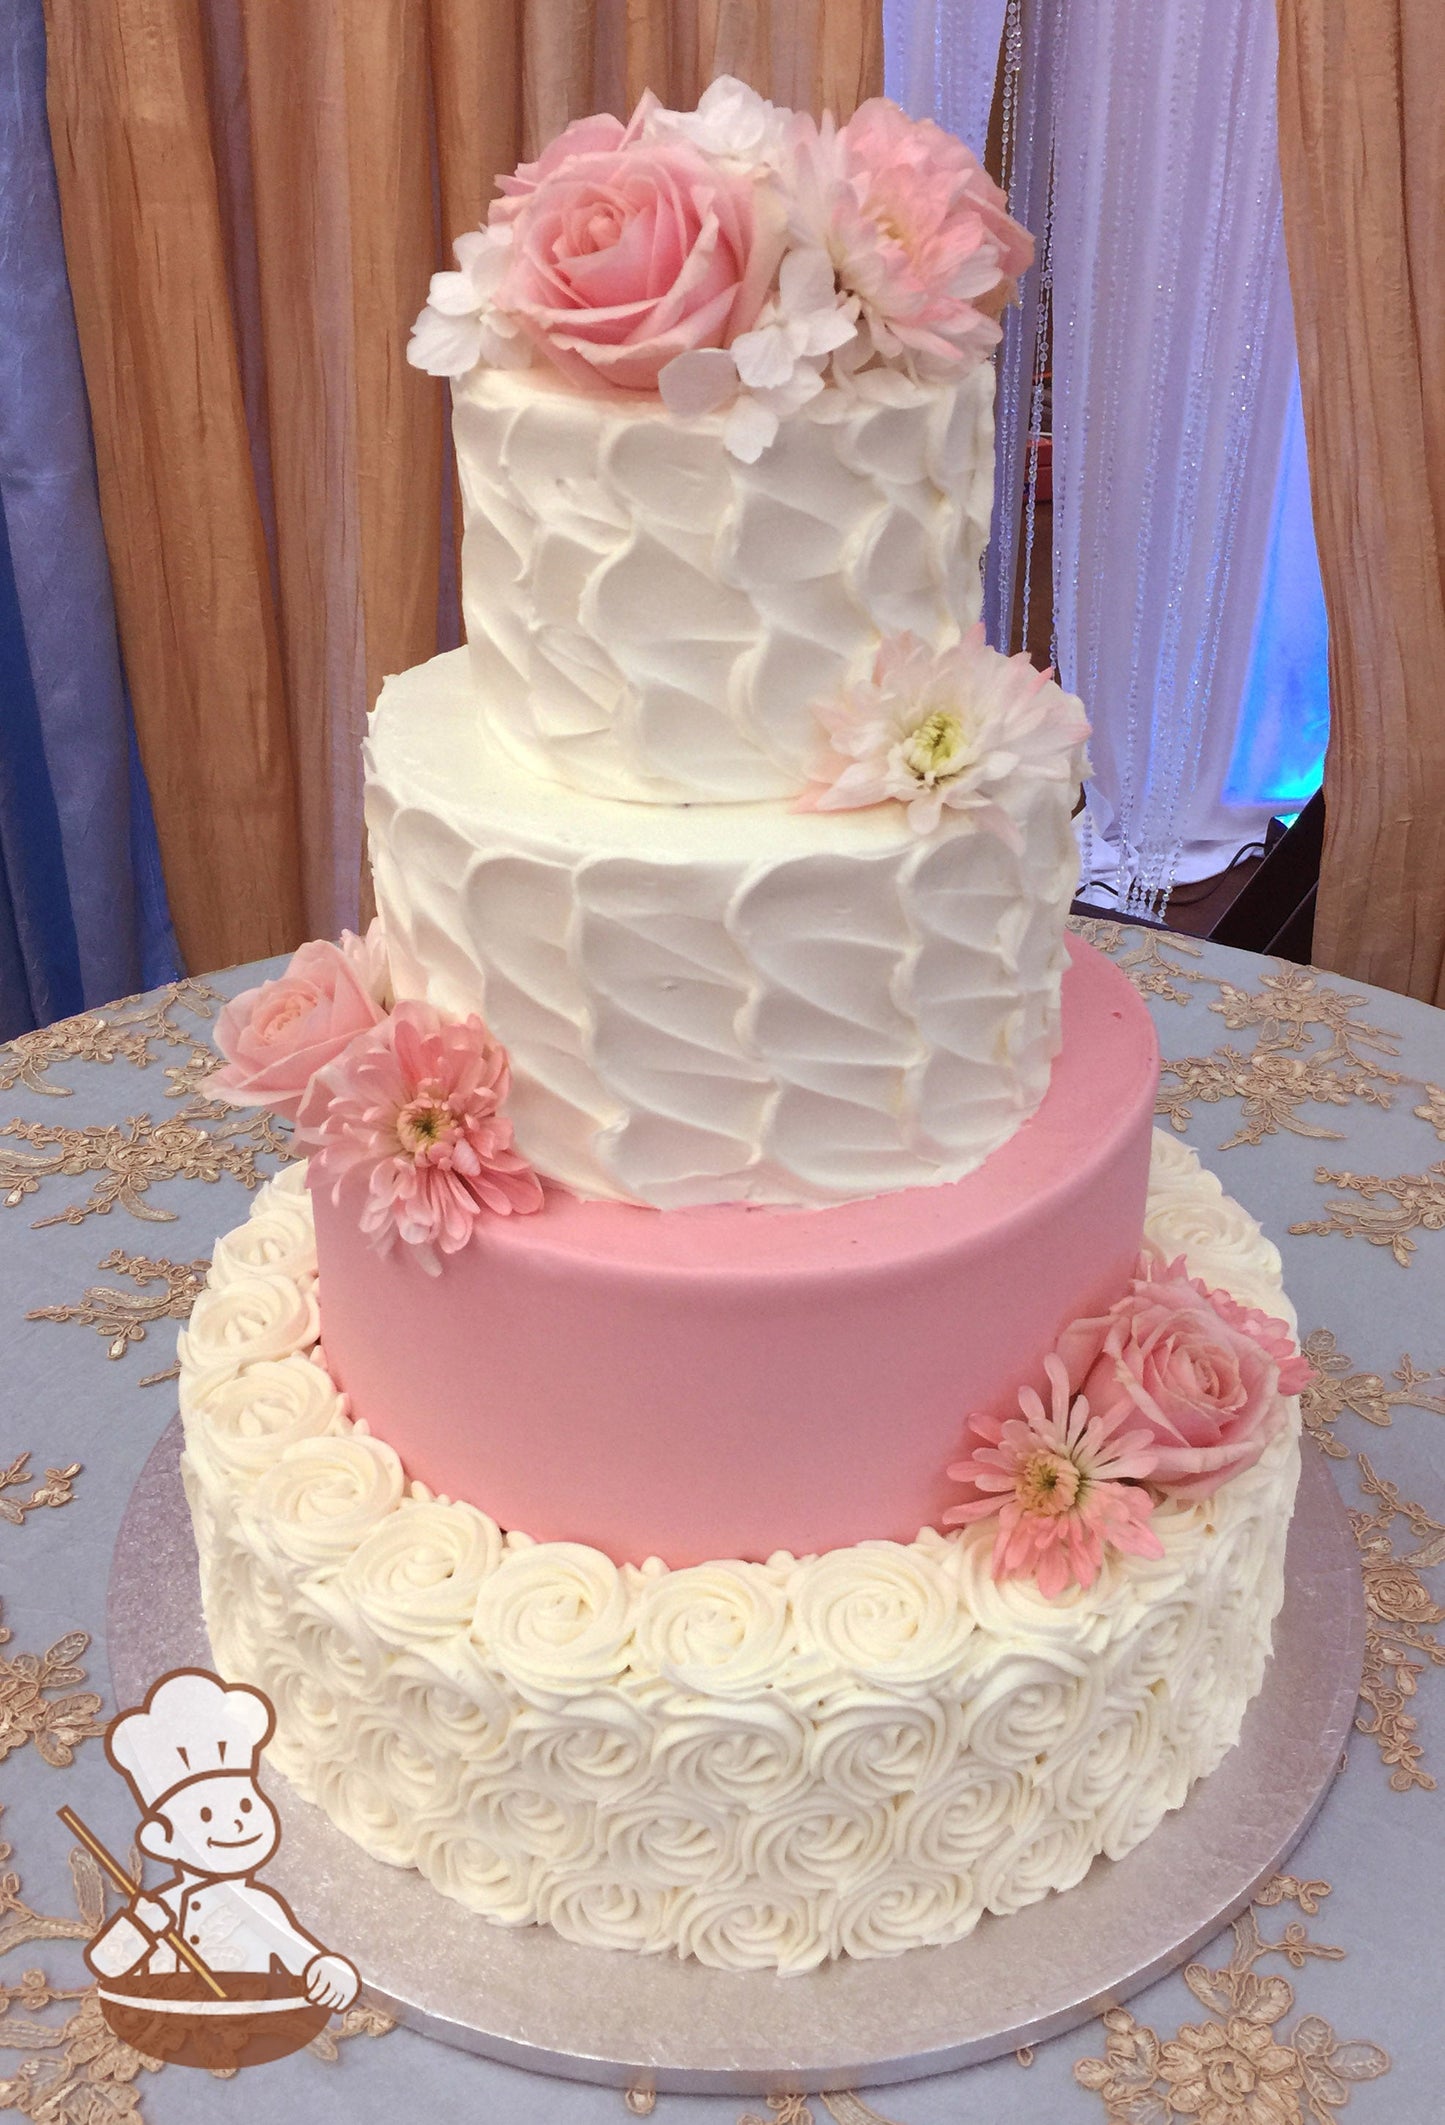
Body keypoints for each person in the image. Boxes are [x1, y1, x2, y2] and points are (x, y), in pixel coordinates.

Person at [84, 1668, 358, 2009]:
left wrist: (331, 1972)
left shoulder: (263, 1907)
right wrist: (140, 1925)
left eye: (245, 1805)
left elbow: (308, 1959)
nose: (238, 1824)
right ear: (161, 1839)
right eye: (206, 1815)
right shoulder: (161, 1907)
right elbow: (106, 1965)